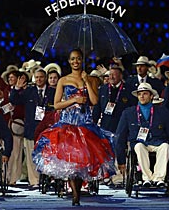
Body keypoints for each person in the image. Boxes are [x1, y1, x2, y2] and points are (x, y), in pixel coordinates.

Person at [32, 48, 115, 206]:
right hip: (68, 123)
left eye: (78, 59)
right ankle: (75, 195)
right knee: (71, 162)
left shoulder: (89, 78)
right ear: (69, 61)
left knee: (81, 162)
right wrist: (74, 100)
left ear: (82, 60)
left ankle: (77, 191)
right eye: (73, 59)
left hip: (84, 123)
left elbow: (94, 101)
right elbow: (57, 104)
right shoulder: (63, 80)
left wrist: (87, 82)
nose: (75, 61)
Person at [115, 82, 169, 188]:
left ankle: (159, 178)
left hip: (158, 142)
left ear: (151, 96)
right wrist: (121, 160)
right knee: (139, 147)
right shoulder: (128, 113)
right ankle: (146, 178)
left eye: (145, 93)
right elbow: (120, 136)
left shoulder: (163, 112)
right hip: (139, 143)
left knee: (165, 146)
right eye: (139, 94)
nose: (142, 96)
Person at [10, 68, 55, 188]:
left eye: (41, 77)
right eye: (37, 77)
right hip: (31, 129)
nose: (39, 79)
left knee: (47, 155)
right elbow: (14, 100)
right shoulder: (29, 91)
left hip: (47, 129)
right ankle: (35, 181)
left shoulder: (52, 92)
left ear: (45, 78)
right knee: (31, 156)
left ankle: (48, 179)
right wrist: (17, 88)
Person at [92, 65, 135, 186]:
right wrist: (93, 123)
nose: (111, 77)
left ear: (120, 76)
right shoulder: (103, 89)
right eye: (109, 75)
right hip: (106, 125)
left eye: (114, 75)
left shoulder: (128, 90)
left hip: (123, 125)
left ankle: (119, 177)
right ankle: (106, 175)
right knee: (105, 150)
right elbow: (98, 107)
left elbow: (132, 109)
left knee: (119, 149)